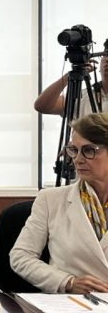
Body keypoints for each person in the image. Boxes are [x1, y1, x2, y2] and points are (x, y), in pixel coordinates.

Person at [10, 113, 108, 293]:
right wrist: (66, 282)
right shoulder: (51, 200)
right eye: (73, 150)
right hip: (72, 303)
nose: (77, 159)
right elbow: (20, 256)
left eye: (88, 150)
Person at [34, 56, 107, 116]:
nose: (107, 59)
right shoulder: (81, 97)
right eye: (105, 55)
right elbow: (41, 106)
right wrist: (70, 75)